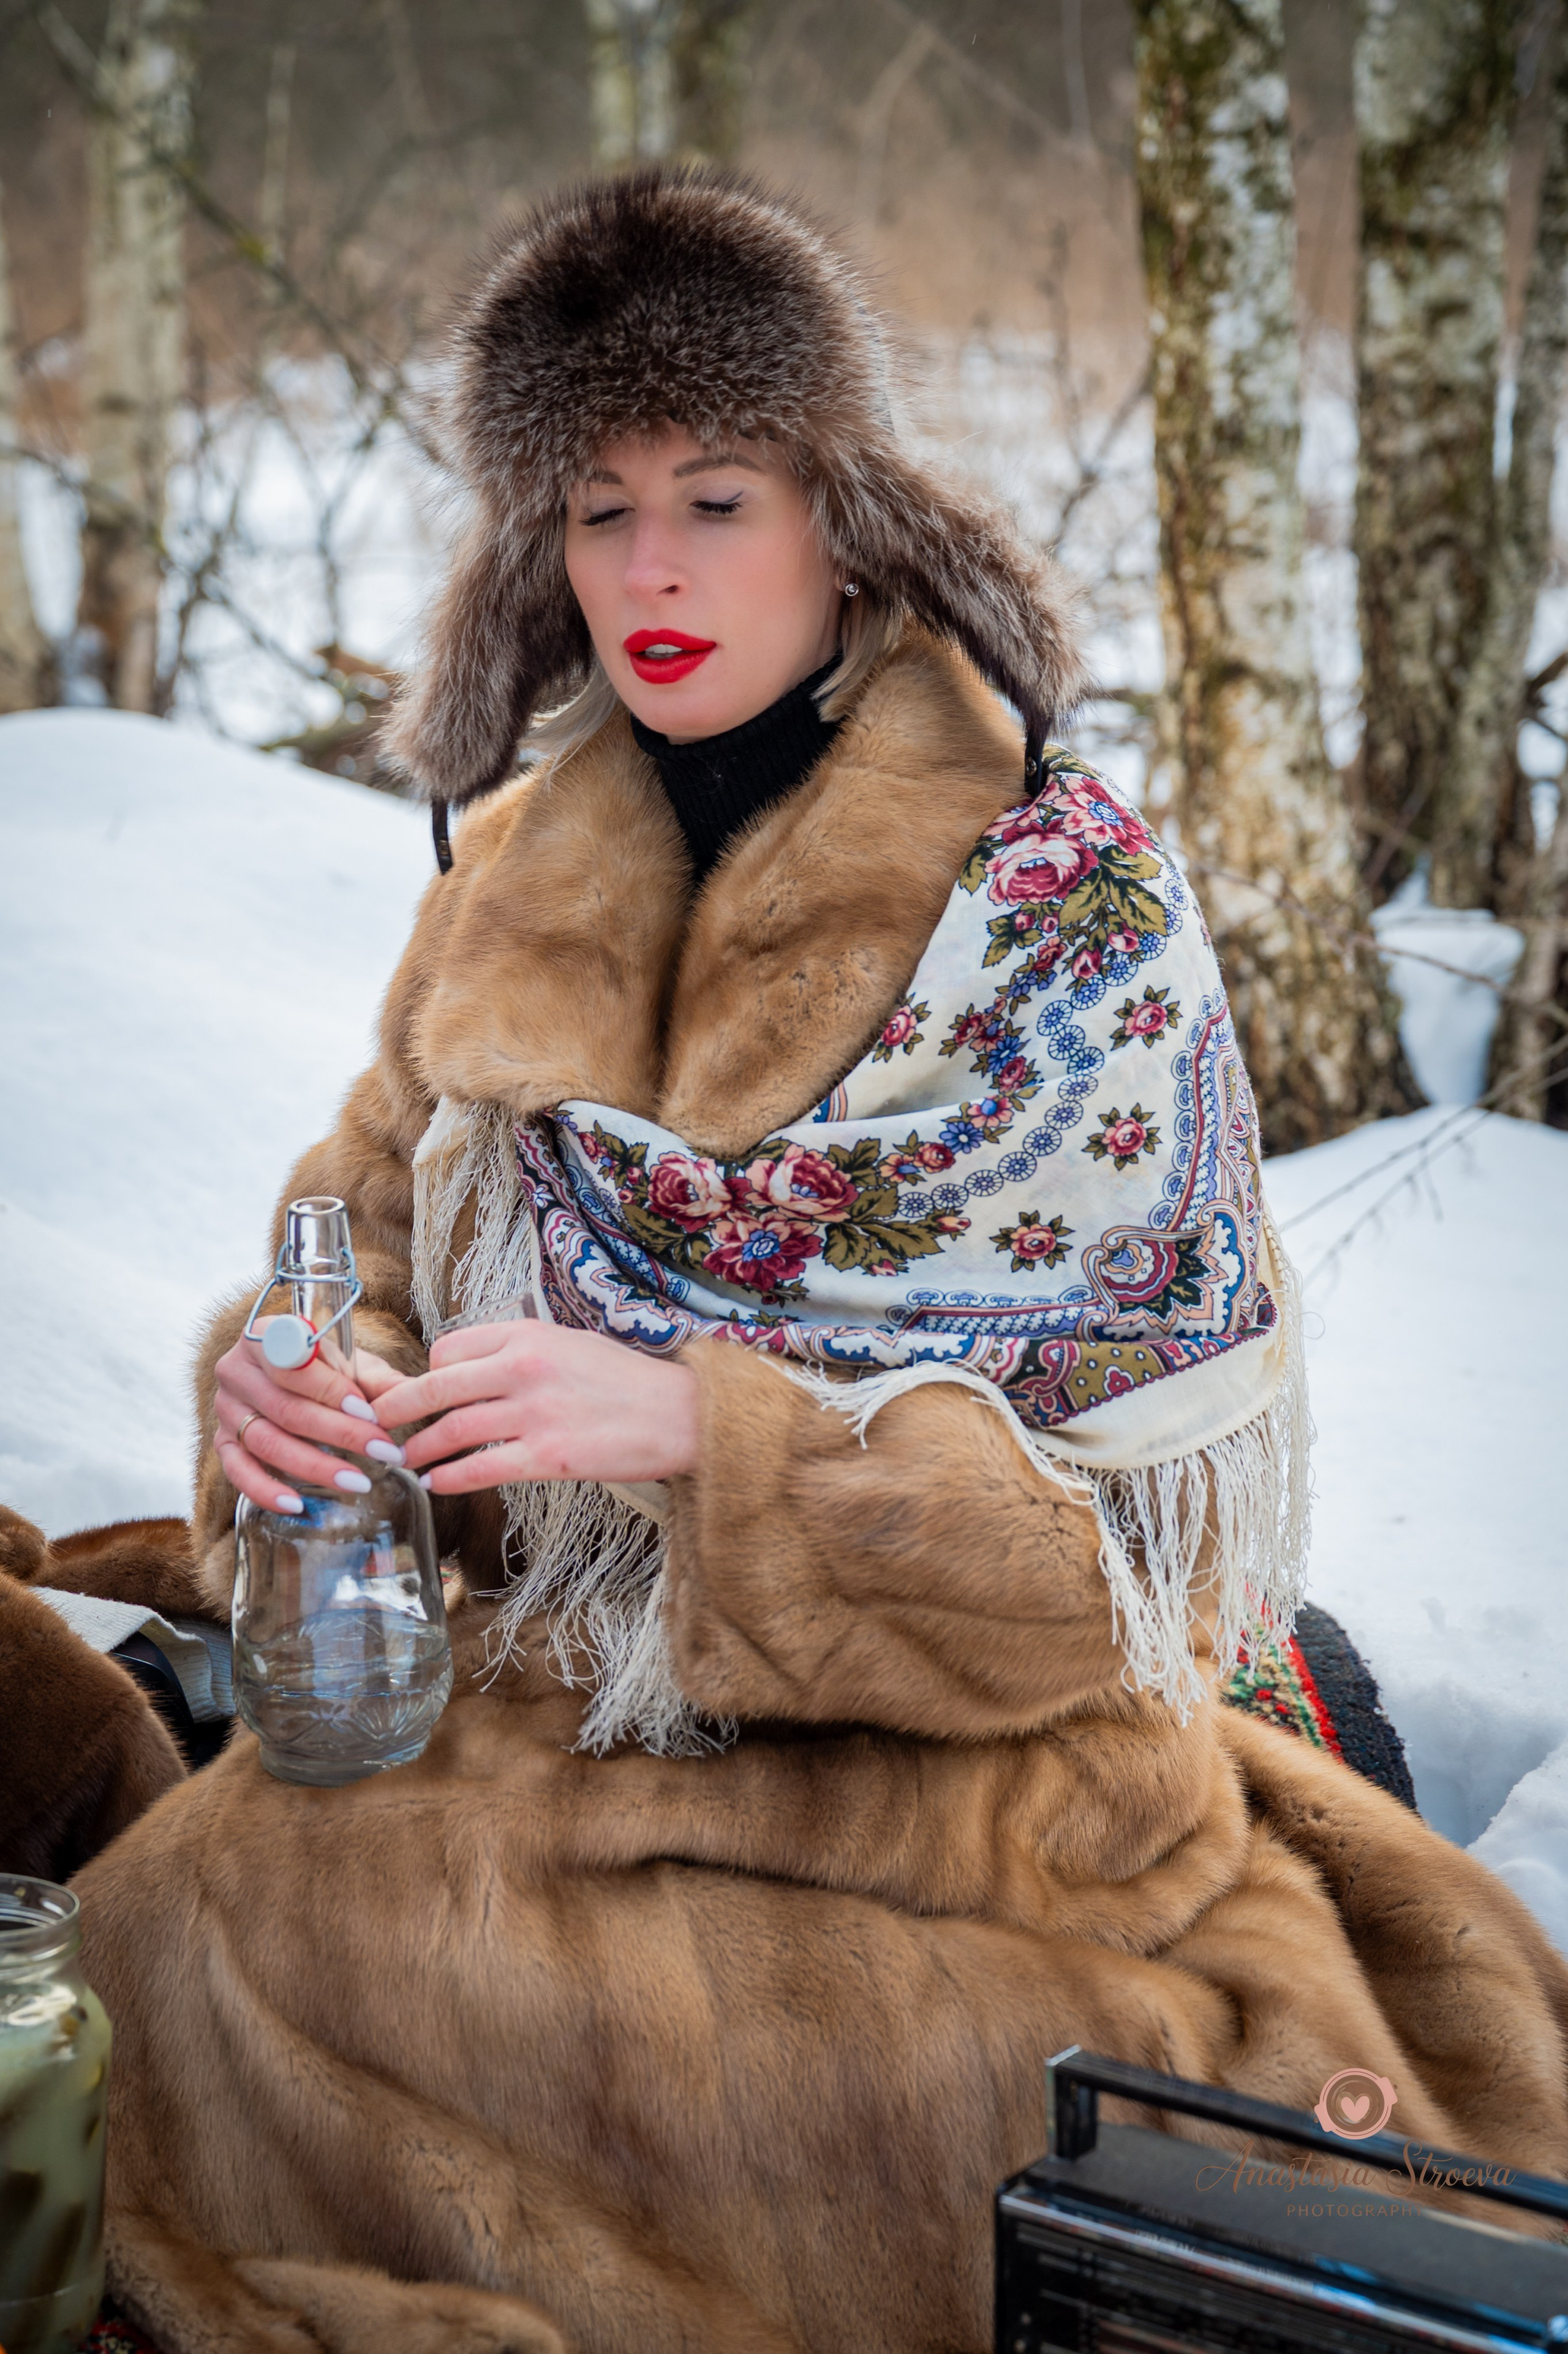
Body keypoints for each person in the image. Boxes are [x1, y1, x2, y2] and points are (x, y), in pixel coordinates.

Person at [74, 170, 1568, 2354]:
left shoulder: (1061, 917)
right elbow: (364, 1239)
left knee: (382, 1972)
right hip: (559, 1716)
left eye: (716, 496)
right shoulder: (511, 869)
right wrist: (295, 1382)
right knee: (184, 1926)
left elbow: (1111, 1579)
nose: (652, 573)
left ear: (842, 516)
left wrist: (709, 1438)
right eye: (596, 513)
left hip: (967, 1803)